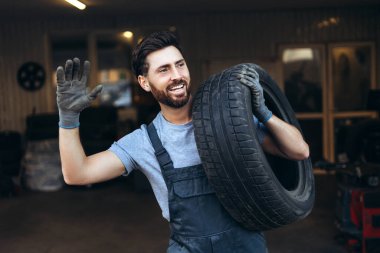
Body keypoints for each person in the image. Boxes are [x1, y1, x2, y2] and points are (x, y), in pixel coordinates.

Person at [56, 31, 309, 252]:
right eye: (164, 70)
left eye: (180, 65)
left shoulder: (229, 121)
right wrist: (68, 119)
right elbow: (77, 174)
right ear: (144, 82)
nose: (177, 76)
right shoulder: (143, 142)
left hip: (244, 244)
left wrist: (264, 113)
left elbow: (299, 151)